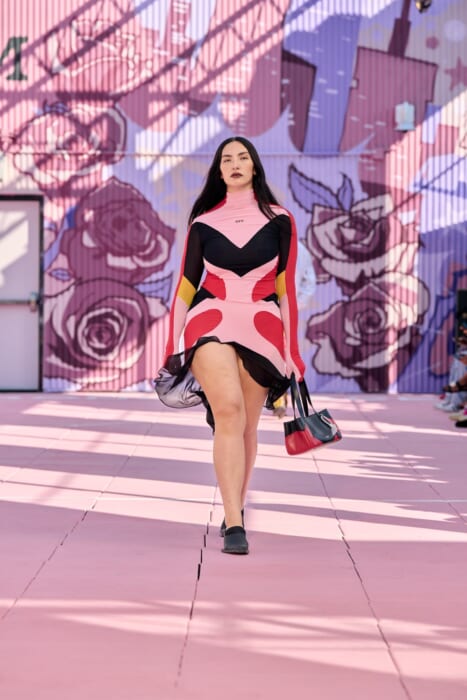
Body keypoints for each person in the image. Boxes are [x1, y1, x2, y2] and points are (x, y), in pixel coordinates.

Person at [154, 137, 305, 555]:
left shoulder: (281, 220)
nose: (235, 164)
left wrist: (292, 351)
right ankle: (235, 522)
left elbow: (286, 290)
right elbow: (185, 289)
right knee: (229, 412)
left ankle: (235, 504)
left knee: (247, 427)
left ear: (254, 167)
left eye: (242, 158)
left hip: (263, 326)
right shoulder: (203, 223)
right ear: (219, 172)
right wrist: (171, 346)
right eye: (227, 159)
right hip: (210, 319)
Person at [272, 239, 316, 418]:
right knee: (284, 353)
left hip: (263, 306)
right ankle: (279, 396)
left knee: (272, 353)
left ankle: (277, 397)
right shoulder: (301, 249)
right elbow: (310, 282)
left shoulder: (265, 241)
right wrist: (296, 304)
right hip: (287, 308)